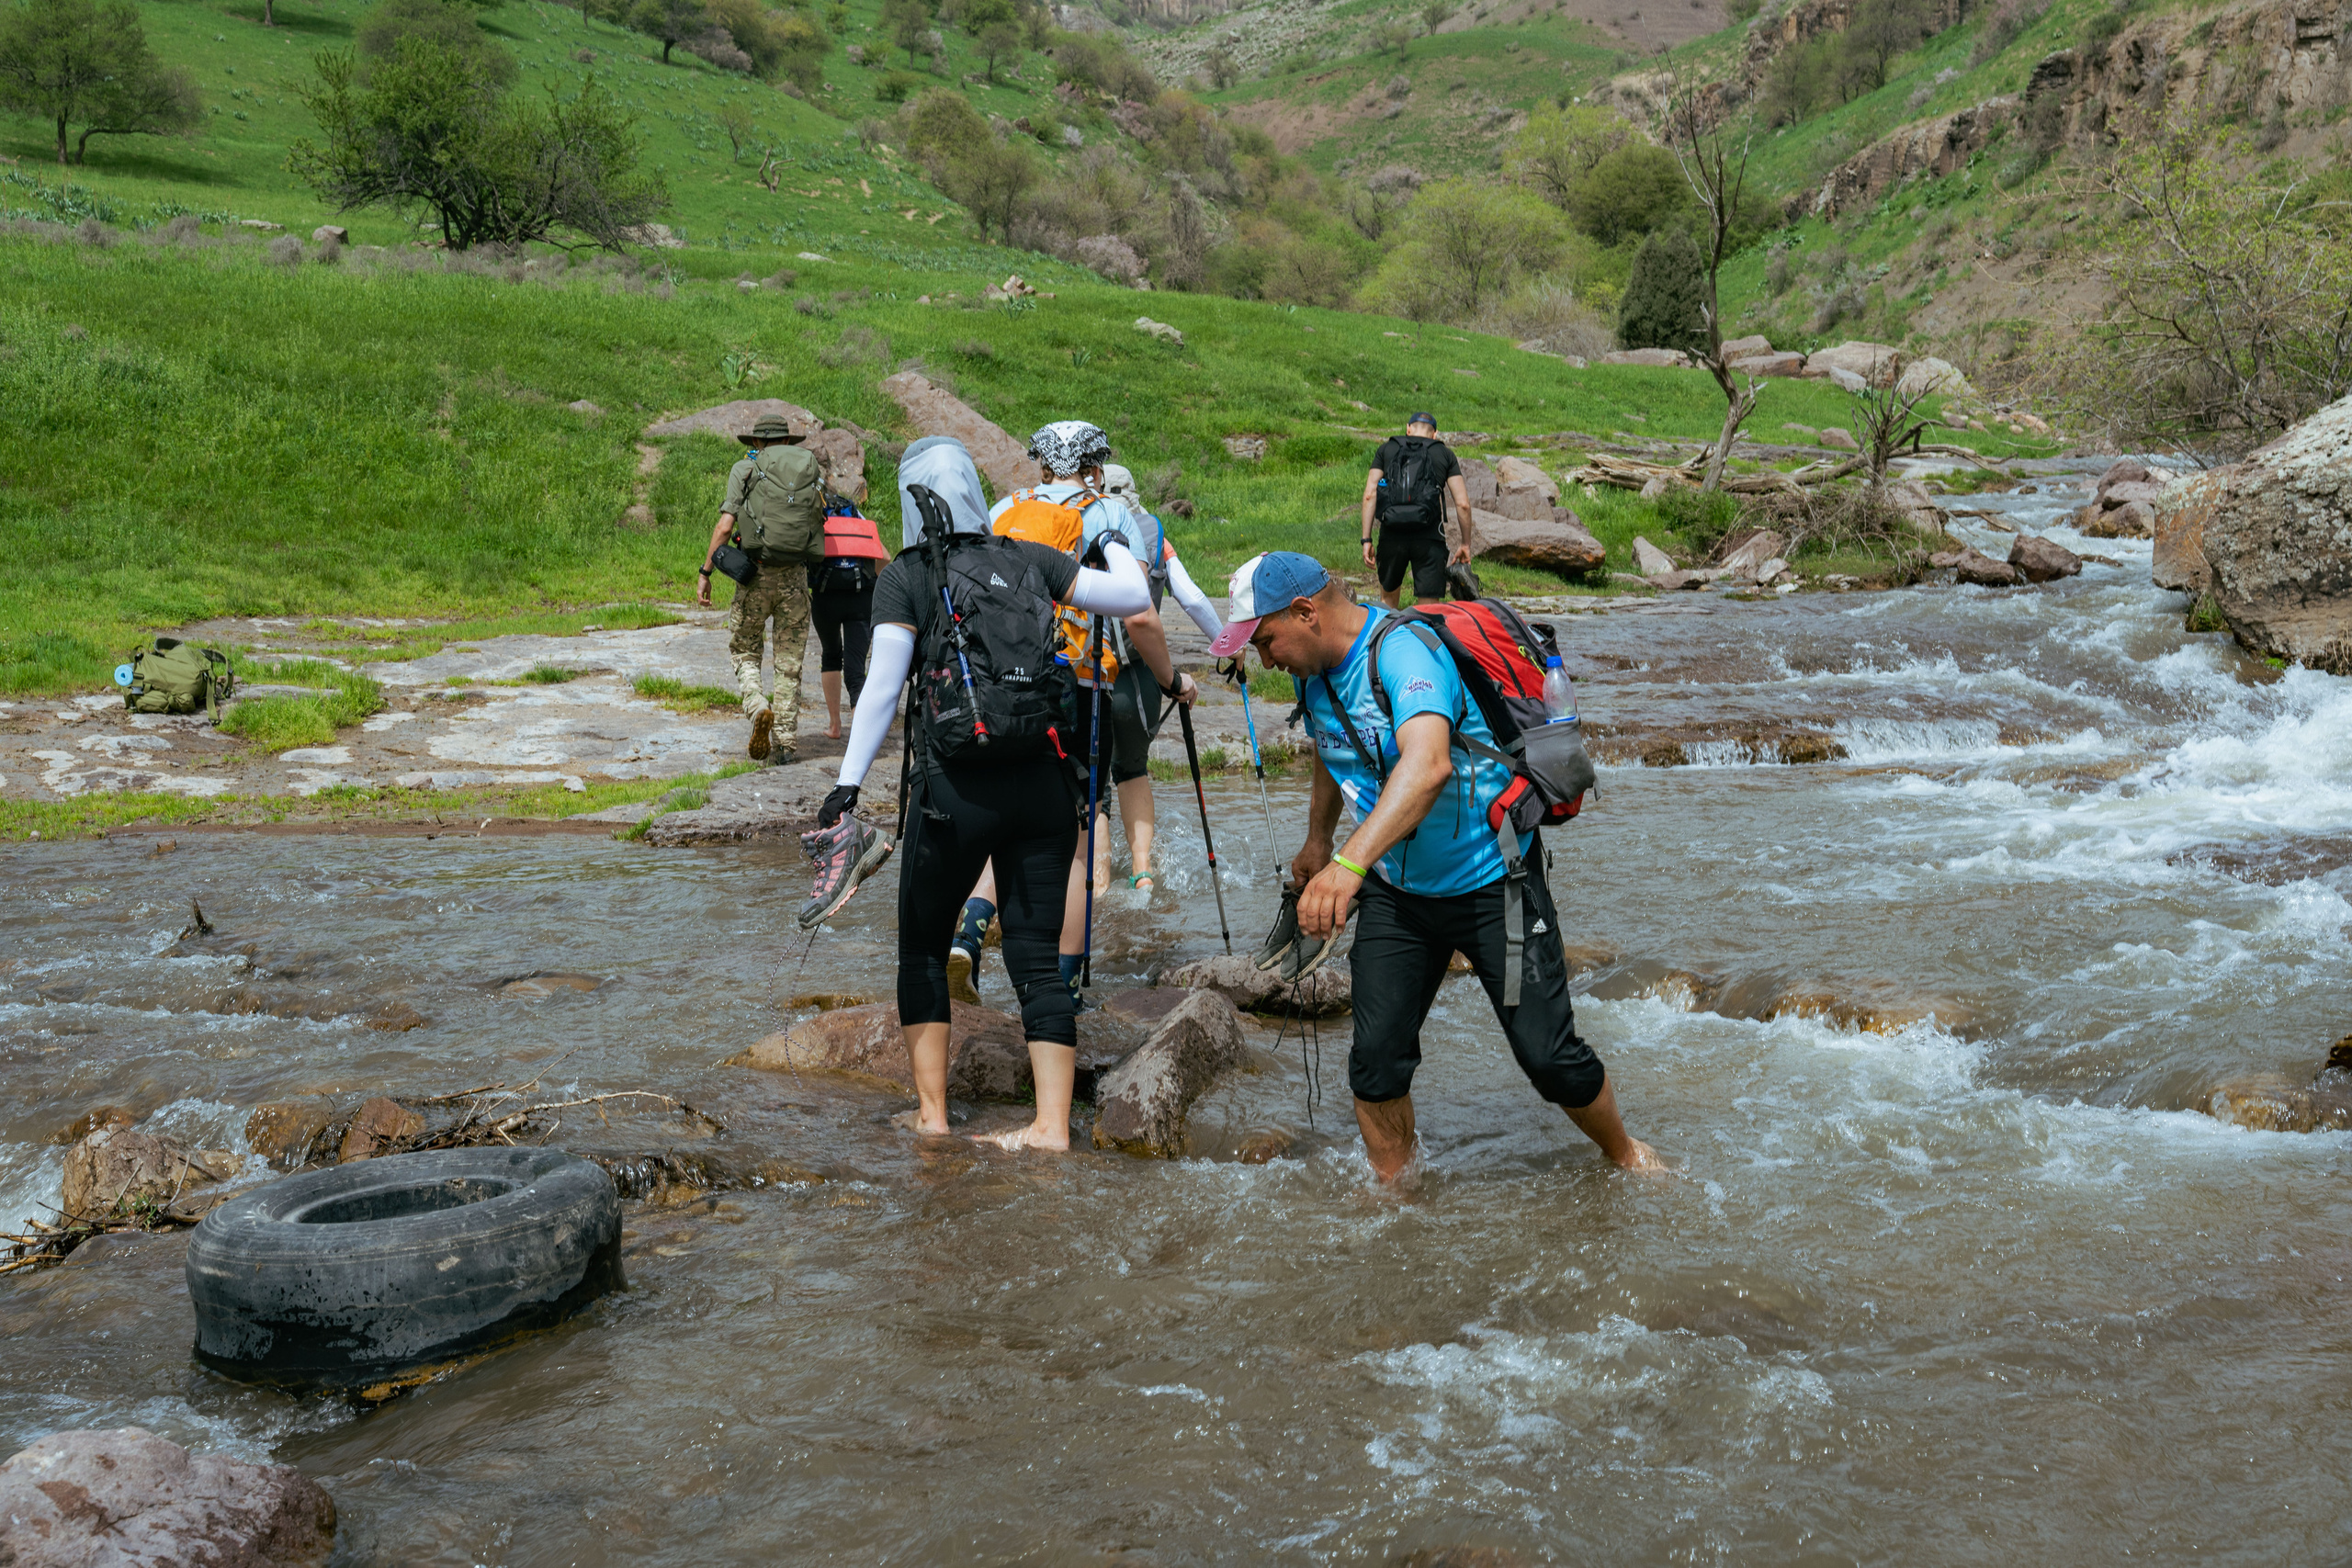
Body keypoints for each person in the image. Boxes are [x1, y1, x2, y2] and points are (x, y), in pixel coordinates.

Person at [1209, 551, 1659, 1182]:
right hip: (1398, 892)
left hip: (1493, 880)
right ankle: (1397, 1199)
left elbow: (1427, 766)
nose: (1263, 659)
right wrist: (1318, 840)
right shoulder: (1312, 674)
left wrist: (1346, 865)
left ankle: (1627, 1155)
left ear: (1305, 611)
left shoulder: (1403, 654)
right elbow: (1335, 745)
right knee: (1376, 1060)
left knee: (1548, 1057)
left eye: (1265, 640)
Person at [806, 437, 1155, 1151]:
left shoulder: (909, 573)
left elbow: (881, 688)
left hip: (956, 790)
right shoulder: (1029, 560)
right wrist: (1111, 531)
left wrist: (847, 785)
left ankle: (932, 1119)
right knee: (1034, 956)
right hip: (1043, 785)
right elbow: (1132, 595)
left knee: (923, 949)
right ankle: (1051, 1128)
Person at [989, 423, 1196, 1007]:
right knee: (1080, 822)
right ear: (1093, 465)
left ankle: (971, 930)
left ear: (1043, 463)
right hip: (1078, 680)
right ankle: (1066, 980)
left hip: (1004, 679)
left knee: (1005, 813)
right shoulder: (1107, 512)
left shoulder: (1005, 506)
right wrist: (1171, 679)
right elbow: (1138, 613)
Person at [699, 415, 822, 765]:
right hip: (796, 579)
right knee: (789, 663)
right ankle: (784, 743)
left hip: (756, 577)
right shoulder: (807, 472)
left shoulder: (745, 469)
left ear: (756, 443)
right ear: (788, 442)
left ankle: (757, 707)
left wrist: (705, 571)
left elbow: (726, 527)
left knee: (745, 650)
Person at [1362, 412, 1476, 612]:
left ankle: (1388, 641)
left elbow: (1370, 495)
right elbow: (1463, 504)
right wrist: (1465, 544)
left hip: (1392, 535)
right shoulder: (1445, 454)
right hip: (1429, 538)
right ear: (1435, 434)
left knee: (1387, 602)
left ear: (1408, 428)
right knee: (1429, 609)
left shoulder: (1387, 449)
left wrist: (1366, 539)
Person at [810, 492, 887, 739]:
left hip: (825, 599)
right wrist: (871, 578)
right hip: (860, 600)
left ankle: (835, 726)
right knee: (856, 669)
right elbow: (884, 557)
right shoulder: (858, 519)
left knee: (831, 656)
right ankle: (863, 736)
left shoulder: (818, 522)